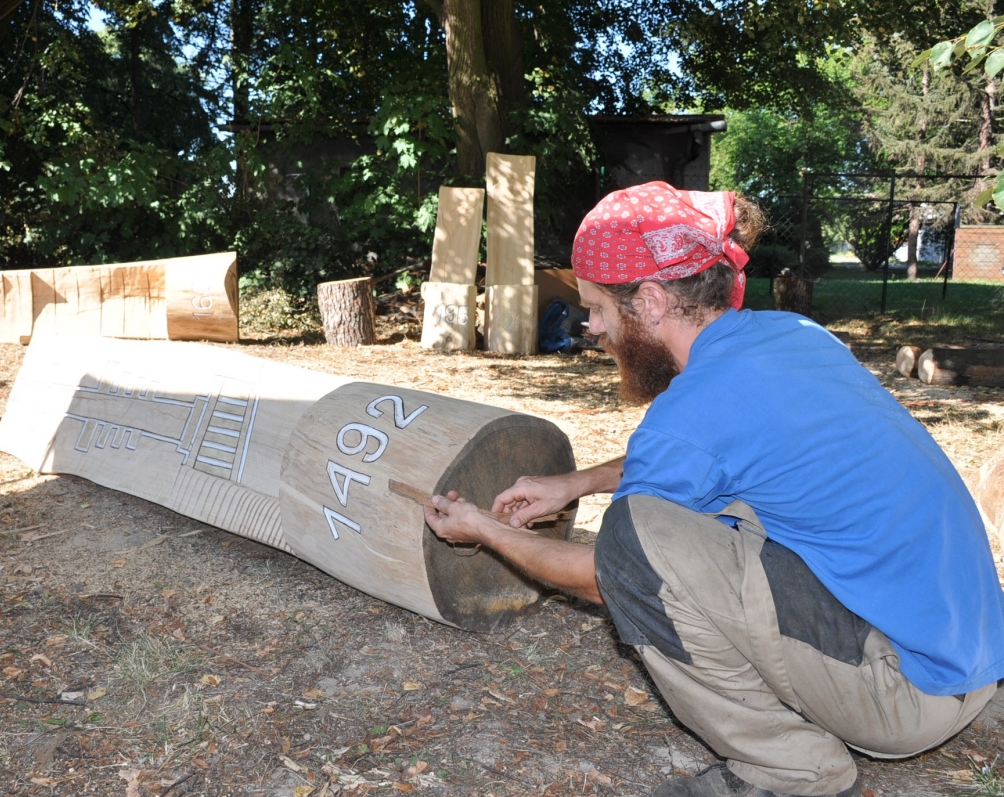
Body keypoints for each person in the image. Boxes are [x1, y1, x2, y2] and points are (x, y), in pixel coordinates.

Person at [423, 181, 1004, 797]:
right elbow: (721, 449)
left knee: (631, 539)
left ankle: (786, 770)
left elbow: (608, 575)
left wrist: (482, 530)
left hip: (909, 693)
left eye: (596, 308)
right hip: (969, 654)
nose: (591, 328)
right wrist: (578, 482)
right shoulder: (792, 336)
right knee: (690, 520)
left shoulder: (690, 413)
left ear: (648, 301)